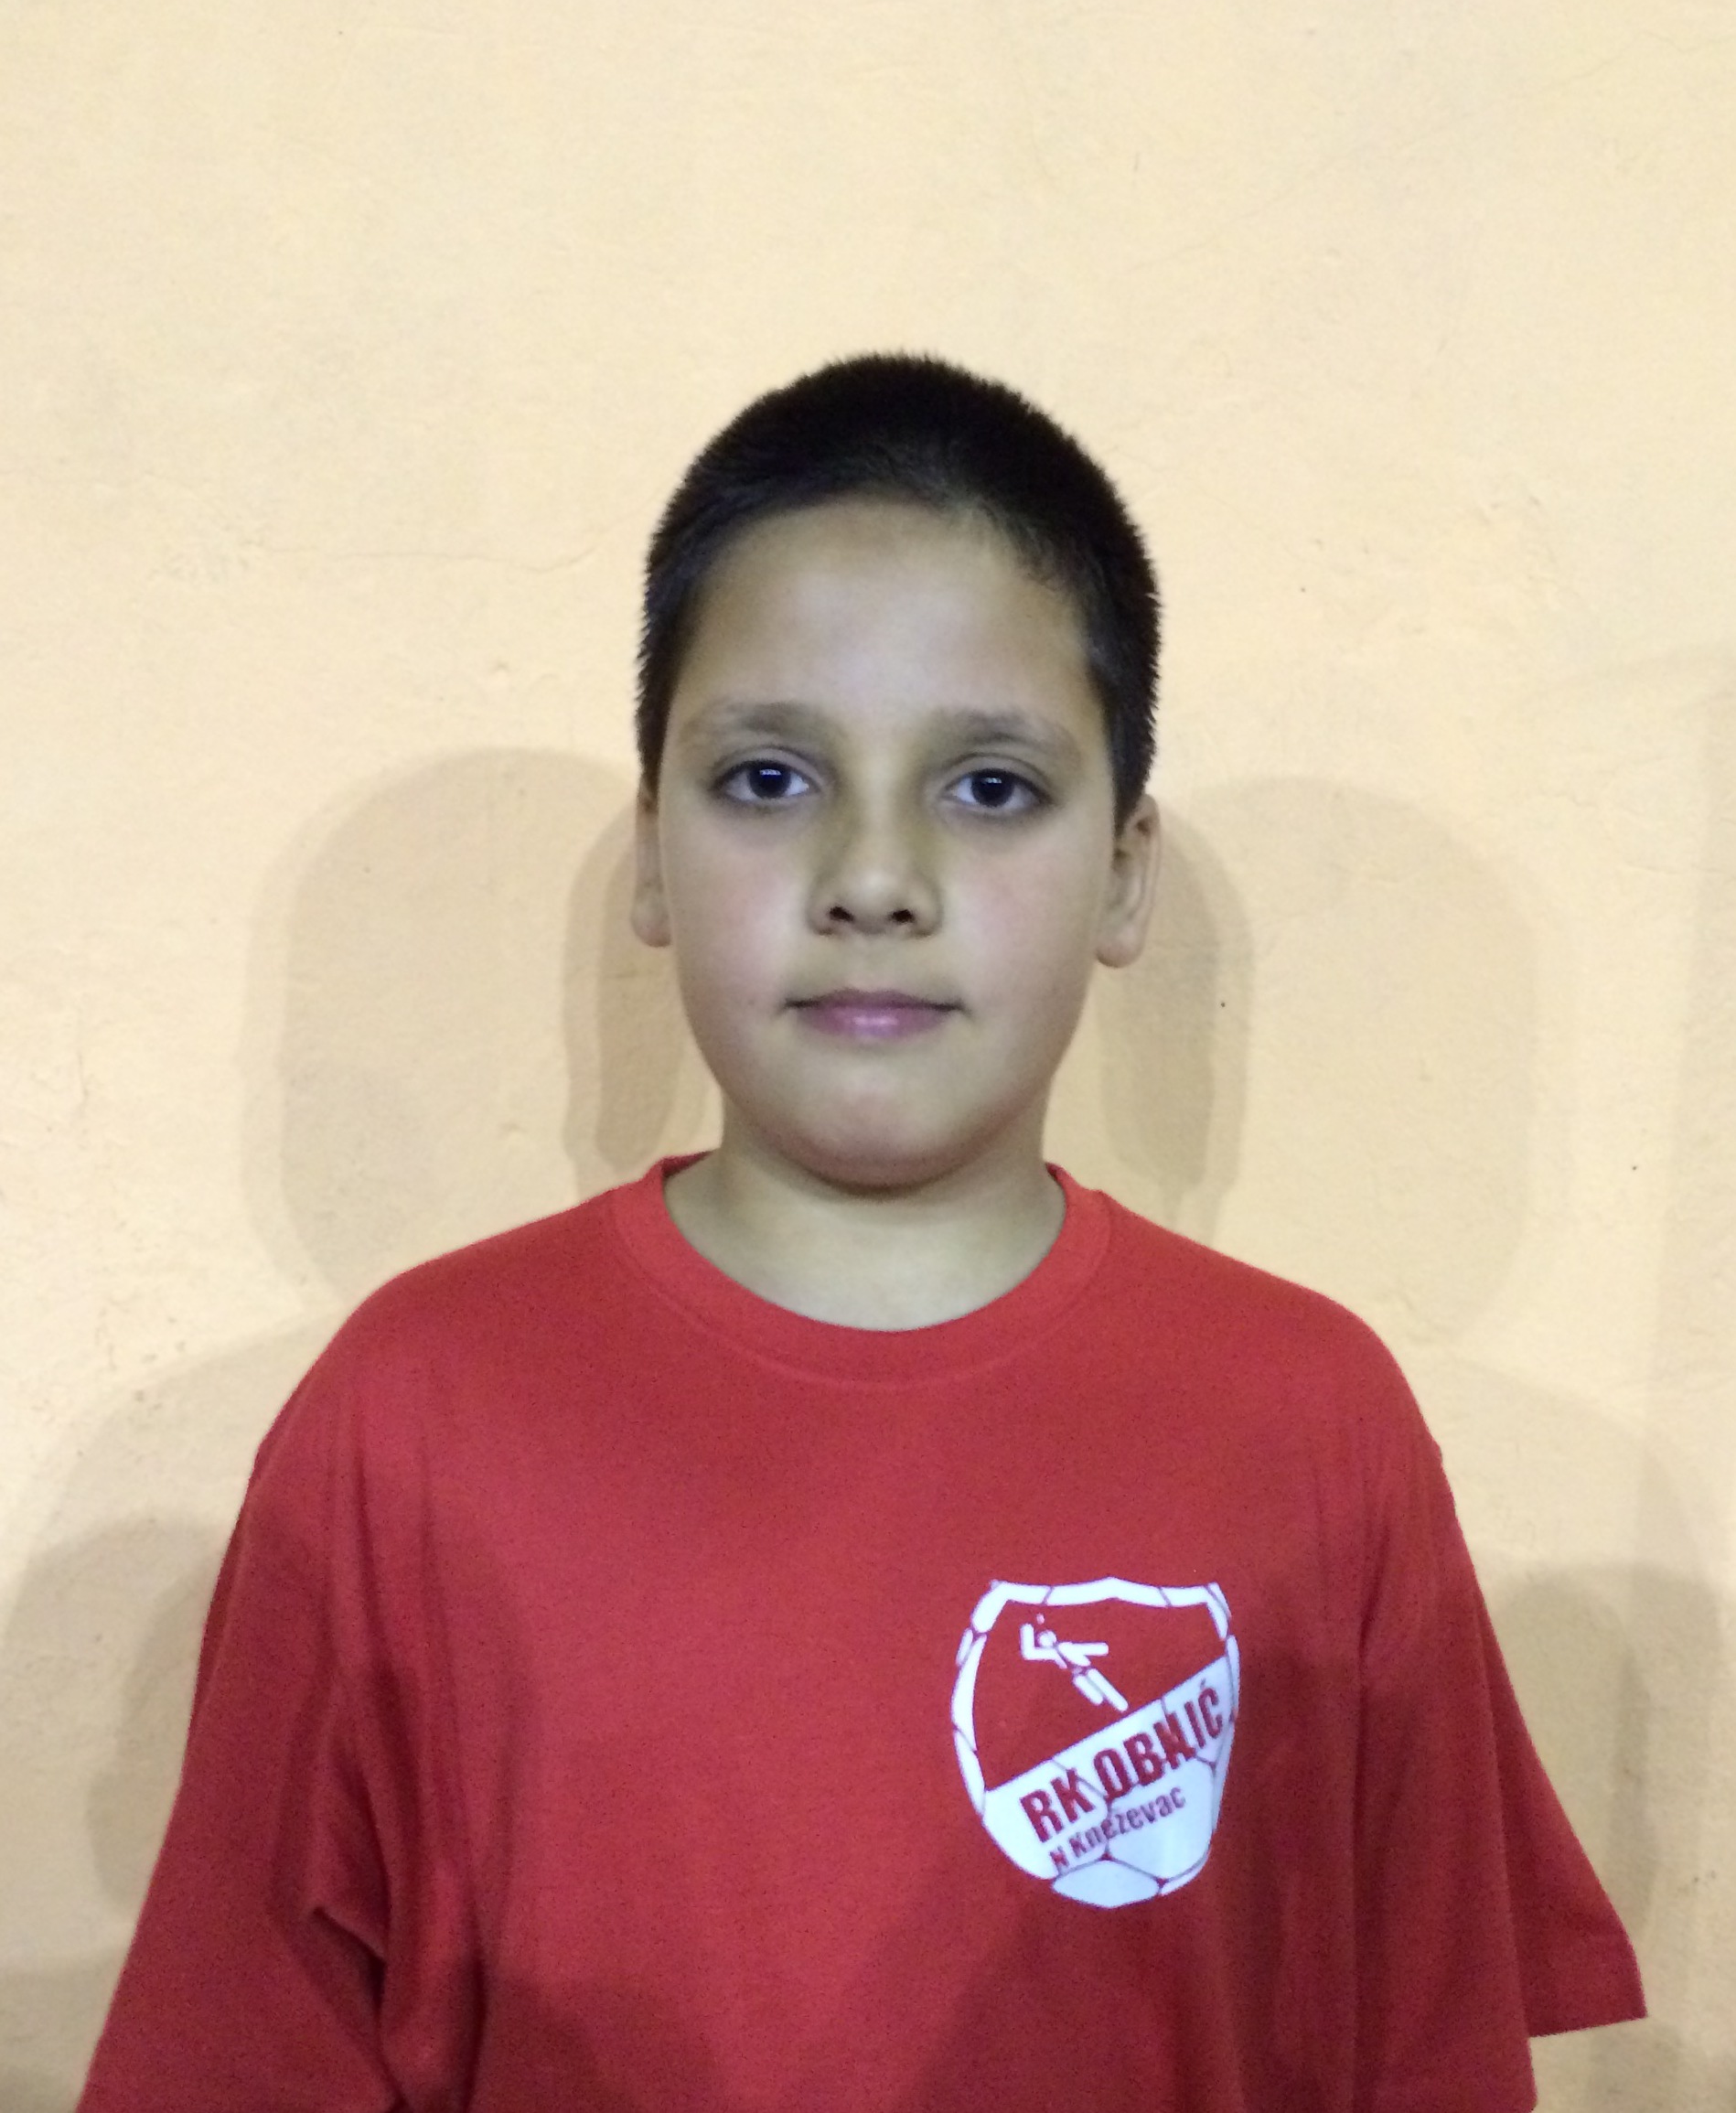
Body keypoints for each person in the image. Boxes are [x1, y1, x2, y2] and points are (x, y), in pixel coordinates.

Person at [79, 354, 1644, 2111]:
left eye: (989, 788)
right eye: (767, 778)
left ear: (1124, 870)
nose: (874, 877)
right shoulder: (413, 1416)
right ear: (652, 856)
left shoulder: (1308, 1420)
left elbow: (1423, 2057)